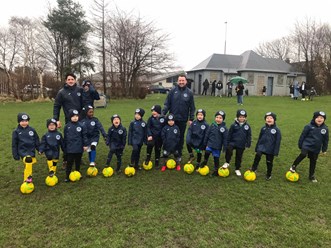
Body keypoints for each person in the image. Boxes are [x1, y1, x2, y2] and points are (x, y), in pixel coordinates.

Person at [162, 74, 195, 160]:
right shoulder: (172, 91)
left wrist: (191, 119)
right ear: (177, 81)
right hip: (171, 120)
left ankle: (178, 154)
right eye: (179, 80)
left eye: (182, 80)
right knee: (169, 136)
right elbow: (167, 104)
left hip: (183, 120)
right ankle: (168, 151)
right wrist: (163, 113)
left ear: (186, 81)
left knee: (180, 138)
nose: (181, 82)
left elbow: (192, 107)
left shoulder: (189, 93)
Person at [289, 111, 328, 182]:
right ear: (314, 118)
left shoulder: (325, 129)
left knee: (313, 161)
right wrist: (300, 144)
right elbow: (303, 136)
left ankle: (311, 175)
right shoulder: (309, 126)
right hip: (307, 145)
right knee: (303, 154)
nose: (320, 119)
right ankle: (293, 166)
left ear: (324, 119)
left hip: (316, 148)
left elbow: (326, 140)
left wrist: (324, 149)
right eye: (318, 117)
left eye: (322, 118)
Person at [249, 112, 281, 180]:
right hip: (261, 147)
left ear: (274, 120)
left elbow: (278, 142)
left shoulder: (277, 130)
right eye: (267, 118)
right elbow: (260, 138)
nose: (269, 119)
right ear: (265, 119)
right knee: (257, 155)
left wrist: (275, 151)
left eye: (271, 118)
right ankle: (254, 168)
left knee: (269, 162)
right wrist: (257, 147)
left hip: (270, 149)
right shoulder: (263, 128)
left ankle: (269, 174)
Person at [12, 113, 40, 183]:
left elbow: (36, 140)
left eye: (26, 121)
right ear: (19, 122)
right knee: (28, 160)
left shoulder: (32, 130)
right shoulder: (16, 132)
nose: (24, 123)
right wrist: (15, 155)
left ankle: (28, 176)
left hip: (31, 151)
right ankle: (27, 179)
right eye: (22, 121)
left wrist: (39, 149)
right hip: (23, 152)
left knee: (29, 164)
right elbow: (14, 144)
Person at [222, 109, 252, 176]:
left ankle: (237, 168)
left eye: (243, 117)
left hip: (241, 144)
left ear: (245, 118)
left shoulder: (247, 126)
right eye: (240, 117)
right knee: (229, 149)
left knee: (239, 156)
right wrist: (227, 142)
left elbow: (249, 135)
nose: (242, 118)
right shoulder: (233, 125)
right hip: (233, 142)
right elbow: (229, 134)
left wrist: (248, 143)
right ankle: (227, 162)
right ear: (237, 117)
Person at [63, 109, 88, 182]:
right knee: (69, 162)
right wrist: (65, 147)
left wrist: (85, 145)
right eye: (73, 116)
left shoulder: (81, 125)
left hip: (79, 147)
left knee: (78, 161)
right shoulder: (67, 126)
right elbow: (65, 137)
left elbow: (84, 136)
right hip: (70, 148)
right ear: (70, 117)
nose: (75, 117)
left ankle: (77, 173)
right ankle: (67, 176)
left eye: (76, 116)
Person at [201, 111, 228, 176]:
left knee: (216, 158)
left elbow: (225, 138)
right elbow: (207, 134)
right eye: (217, 117)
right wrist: (205, 143)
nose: (218, 119)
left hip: (217, 146)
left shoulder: (224, 128)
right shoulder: (212, 125)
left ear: (223, 119)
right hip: (210, 144)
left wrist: (225, 147)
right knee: (207, 152)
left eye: (220, 118)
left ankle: (216, 170)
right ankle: (205, 161)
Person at [144, 105, 166, 169]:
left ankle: (157, 161)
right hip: (152, 136)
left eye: (155, 111)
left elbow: (165, 127)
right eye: (152, 111)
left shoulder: (163, 119)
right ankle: (148, 157)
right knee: (150, 145)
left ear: (158, 112)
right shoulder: (150, 119)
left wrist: (163, 135)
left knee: (158, 149)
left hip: (159, 137)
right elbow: (148, 127)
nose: (153, 112)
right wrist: (150, 135)